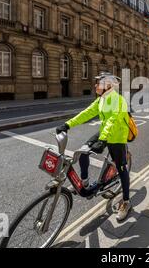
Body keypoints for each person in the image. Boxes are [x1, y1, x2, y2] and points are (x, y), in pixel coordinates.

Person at [56, 72, 132, 222]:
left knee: (122, 168)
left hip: (116, 137)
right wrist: (67, 124)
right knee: (83, 152)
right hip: (105, 132)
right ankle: (84, 184)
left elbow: (113, 120)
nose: (95, 85)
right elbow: (87, 113)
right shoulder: (101, 100)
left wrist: (103, 140)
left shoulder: (119, 100)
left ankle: (126, 202)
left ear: (108, 86)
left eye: (98, 83)